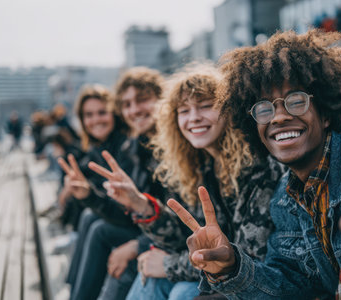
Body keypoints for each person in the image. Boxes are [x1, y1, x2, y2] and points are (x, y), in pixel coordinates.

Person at [167, 30, 341, 299]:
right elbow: (290, 284)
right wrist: (231, 268)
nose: (278, 117)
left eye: (295, 101)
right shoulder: (285, 197)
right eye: (264, 108)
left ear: (324, 113)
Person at [90, 65, 283, 300]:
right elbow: (183, 239)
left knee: (180, 291)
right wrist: (140, 204)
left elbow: (246, 256)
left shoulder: (253, 166)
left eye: (205, 106)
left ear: (230, 110)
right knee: (150, 279)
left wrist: (168, 265)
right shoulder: (200, 166)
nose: (194, 118)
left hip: (258, 285)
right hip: (219, 277)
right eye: (184, 110)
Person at [57, 84, 130, 299]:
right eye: (89, 115)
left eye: (102, 112)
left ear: (114, 114)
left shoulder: (123, 146)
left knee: (95, 224)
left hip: (135, 224)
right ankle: (74, 292)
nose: (96, 119)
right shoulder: (97, 148)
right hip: (119, 219)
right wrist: (68, 191)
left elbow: (124, 209)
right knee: (90, 217)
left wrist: (86, 195)